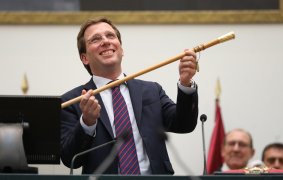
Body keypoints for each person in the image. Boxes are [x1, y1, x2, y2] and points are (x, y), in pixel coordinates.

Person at [60, 17, 199, 175]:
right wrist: (87, 123)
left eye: (111, 36)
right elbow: (69, 158)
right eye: (96, 39)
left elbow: (184, 124)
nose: (106, 41)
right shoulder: (72, 101)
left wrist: (186, 83)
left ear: (121, 49)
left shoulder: (151, 91)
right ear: (84, 58)